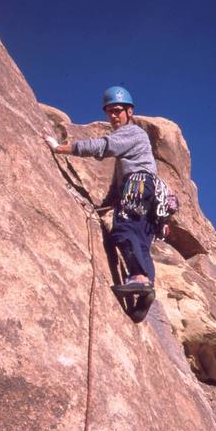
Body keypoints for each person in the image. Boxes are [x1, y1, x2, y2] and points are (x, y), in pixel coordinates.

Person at [44, 86, 157, 297]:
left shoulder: (132, 132)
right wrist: (101, 206)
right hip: (145, 189)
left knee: (125, 229)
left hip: (138, 183)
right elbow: (117, 188)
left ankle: (139, 279)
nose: (113, 116)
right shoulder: (134, 150)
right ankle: (146, 289)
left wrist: (60, 148)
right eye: (109, 111)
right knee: (140, 240)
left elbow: (103, 146)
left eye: (117, 110)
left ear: (129, 111)